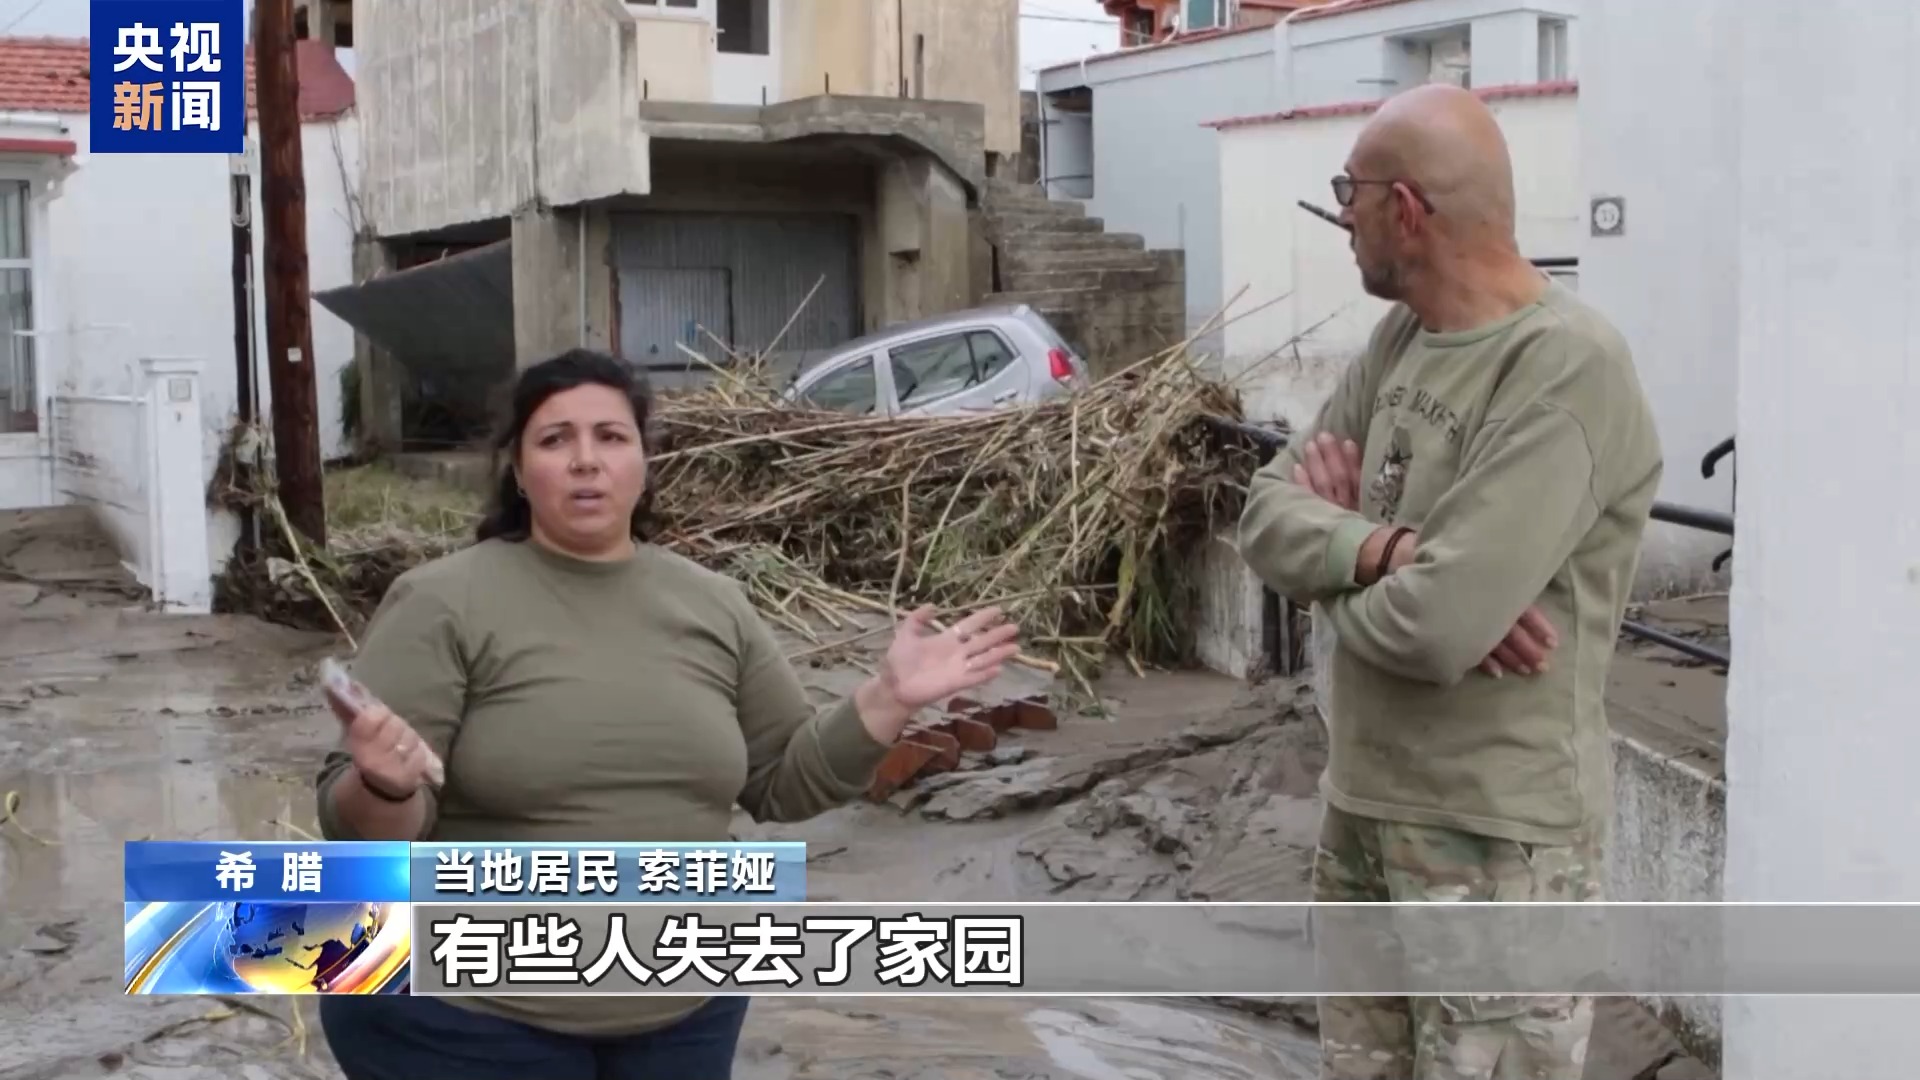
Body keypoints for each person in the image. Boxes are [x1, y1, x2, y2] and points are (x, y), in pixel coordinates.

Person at [312, 348, 1022, 1080]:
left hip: (685, 1011)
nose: (586, 460)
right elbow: (363, 828)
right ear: (519, 473)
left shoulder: (712, 604)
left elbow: (782, 781)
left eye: (611, 437)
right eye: (555, 440)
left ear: (644, 462)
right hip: (464, 1017)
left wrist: (889, 697)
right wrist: (387, 786)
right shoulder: (442, 602)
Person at [1236, 84, 1663, 1080]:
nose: (1344, 214)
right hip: (1367, 811)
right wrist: (1389, 552)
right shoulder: (1401, 340)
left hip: (1494, 846)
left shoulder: (1566, 370)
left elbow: (1436, 633)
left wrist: (1336, 556)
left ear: (1410, 209)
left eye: (1355, 190)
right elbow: (1264, 513)